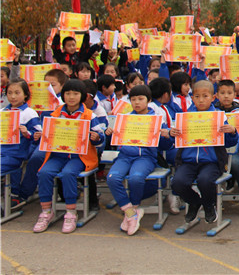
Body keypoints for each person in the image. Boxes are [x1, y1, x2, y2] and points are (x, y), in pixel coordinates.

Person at [33, 79, 106, 233]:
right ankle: (46, 211)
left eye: (75, 94)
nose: (71, 97)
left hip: (79, 156)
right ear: (62, 95)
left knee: (68, 174)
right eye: (67, 93)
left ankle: (71, 212)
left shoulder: (89, 115)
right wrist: (41, 135)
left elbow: (100, 139)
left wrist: (97, 138)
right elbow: (48, 135)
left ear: (83, 96)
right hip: (58, 155)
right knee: (44, 172)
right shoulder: (55, 114)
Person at [169, 80, 239, 225]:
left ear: (213, 97)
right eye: (197, 96)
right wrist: (172, 133)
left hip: (211, 162)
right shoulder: (185, 117)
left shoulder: (219, 116)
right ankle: (195, 202)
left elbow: (229, 143)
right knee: (177, 183)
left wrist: (232, 132)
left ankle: (209, 205)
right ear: (192, 97)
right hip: (188, 161)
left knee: (205, 181)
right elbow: (176, 139)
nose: (201, 100)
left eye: (205, 96)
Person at [106, 84, 173, 235]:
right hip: (124, 156)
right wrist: (109, 133)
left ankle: (134, 208)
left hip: (145, 157)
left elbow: (167, 146)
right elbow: (115, 140)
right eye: (133, 99)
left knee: (136, 178)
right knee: (112, 178)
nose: (137, 102)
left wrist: (165, 136)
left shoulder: (156, 119)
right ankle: (130, 212)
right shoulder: (125, 119)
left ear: (148, 100)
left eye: (141, 99)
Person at [1, 79, 42, 202]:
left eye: (17, 93)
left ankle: (14, 195)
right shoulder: (3, 112)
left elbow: (38, 135)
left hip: (15, 154)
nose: (13, 96)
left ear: (25, 95)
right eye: (10, 93)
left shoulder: (29, 113)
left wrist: (27, 133)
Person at [216, 79, 239, 213]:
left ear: (234, 94)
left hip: (237, 149)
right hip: (217, 149)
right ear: (217, 95)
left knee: (236, 163)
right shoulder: (212, 112)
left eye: (229, 93)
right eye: (222, 93)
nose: (226, 96)